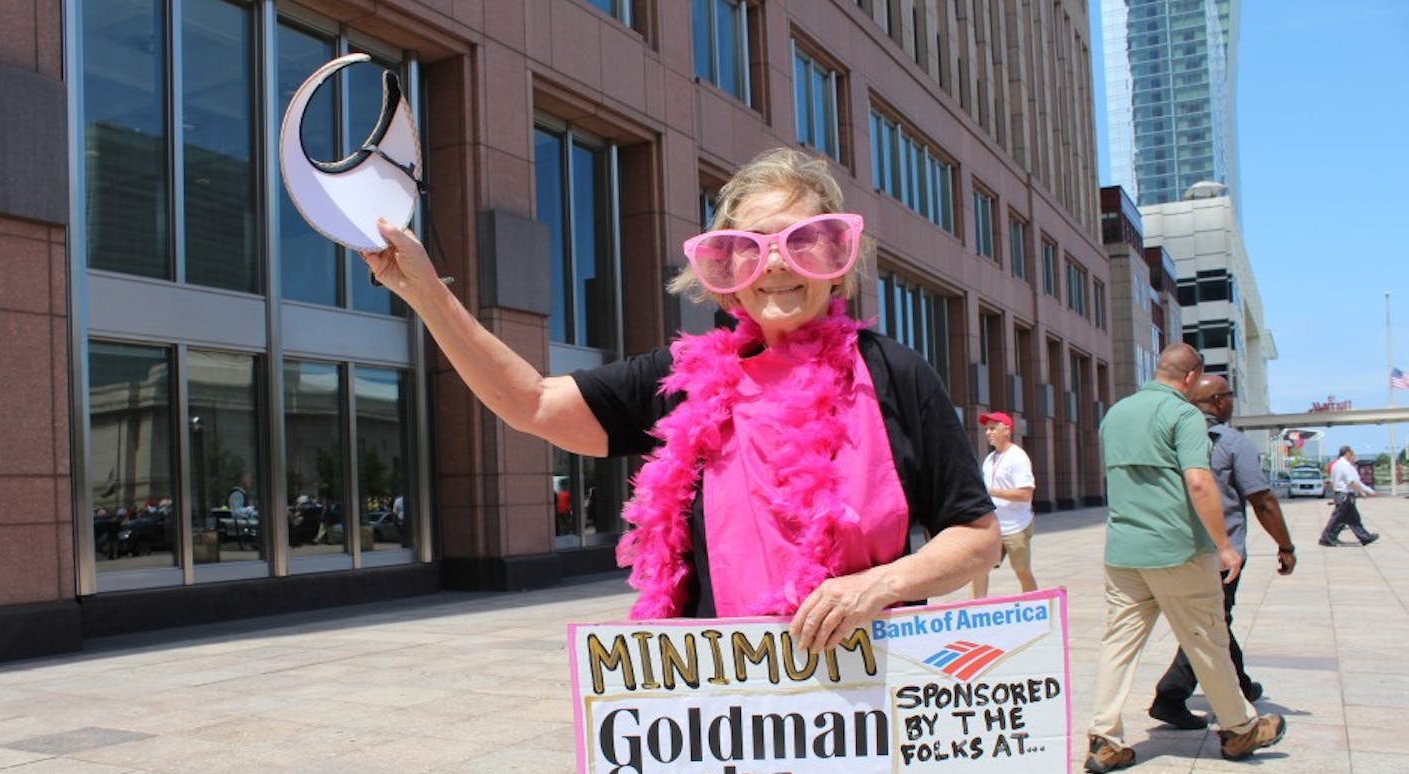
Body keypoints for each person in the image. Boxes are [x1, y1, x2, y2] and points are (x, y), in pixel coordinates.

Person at [362, 147, 1001, 651]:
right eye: (751, 248)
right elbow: (530, 402)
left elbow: (977, 538)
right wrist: (425, 292)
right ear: (725, 276)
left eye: (801, 241)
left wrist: (878, 585)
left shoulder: (896, 374)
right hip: (726, 720)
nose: (777, 264)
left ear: (836, 259)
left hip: (868, 703)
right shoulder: (684, 380)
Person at [1085, 343, 1285, 774]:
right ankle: (1238, 728)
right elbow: (1198, 483)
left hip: (1123, 551)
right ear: (1192, 377)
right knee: (1207, 637)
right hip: (1176, 549)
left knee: (1118, 644)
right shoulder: (1185, 415)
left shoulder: (1115, 414)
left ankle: (1104, 737)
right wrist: (1224, 545)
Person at [1147, 374, 1296, 730]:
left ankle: (1241, 683)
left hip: (1173, 550)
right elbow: (1263, 500)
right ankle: (1170, 696)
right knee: (1210, 624)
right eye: (1229, 396)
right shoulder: (1232, 443)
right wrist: (1285, 546)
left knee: (1216, 619)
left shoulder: (1167, 439)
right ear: (1217, 401)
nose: (1232, 402)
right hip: (1219, 555)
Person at [971, 411, 1037, 599]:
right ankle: (977, 611)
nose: (988, 433)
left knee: (1022, 571)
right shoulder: (989, 459)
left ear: (1006, 430)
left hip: (1016, 527)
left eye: (992, 428)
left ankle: (1033, 608)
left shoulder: (1018, 457)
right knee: (979, 569)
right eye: (987, 429)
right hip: (993, 527)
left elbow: (1025, 494)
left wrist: (992, 492)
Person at [1319, 445, 1379, 546]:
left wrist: (1369, 491)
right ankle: (1327, 538)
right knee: (1338, 519)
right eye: (1352, 454)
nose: (1354, 457)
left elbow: (1333, 481)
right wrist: (1361, 492)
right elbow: (1351, 482)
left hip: (1341, 494)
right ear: (1347, 454)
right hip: (1345, 495)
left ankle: (1365, 537)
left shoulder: (1336, 465)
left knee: (1353, 519)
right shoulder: (1345, 466)